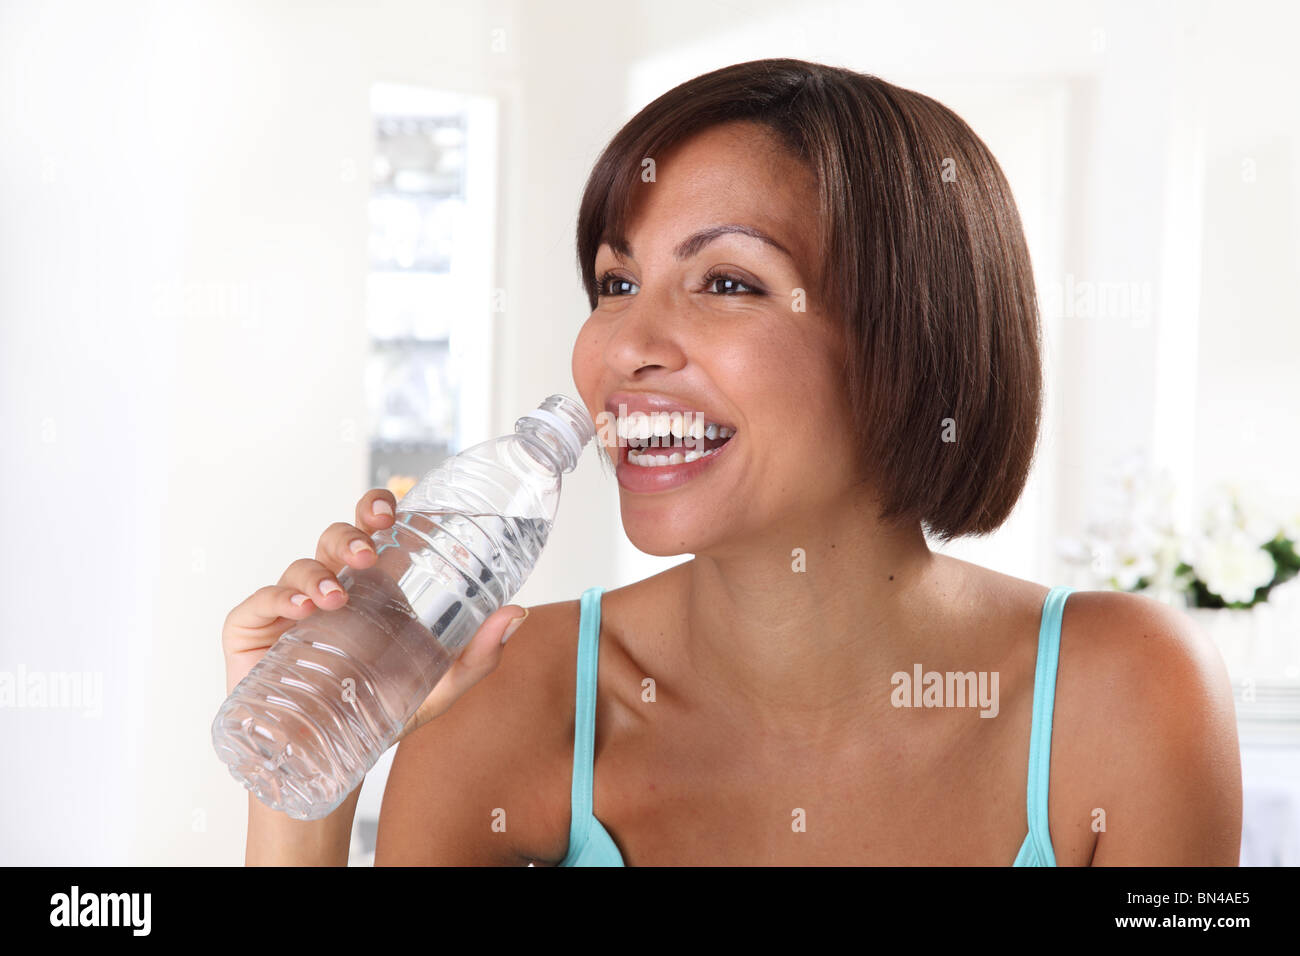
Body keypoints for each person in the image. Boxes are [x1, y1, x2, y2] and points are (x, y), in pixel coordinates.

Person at [224, 57, 1241, 866]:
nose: (621, 348)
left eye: (725, 280)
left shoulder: (1125, 694)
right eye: (615, 283)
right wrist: (308, 776)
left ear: (908, 334)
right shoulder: (506, 685)